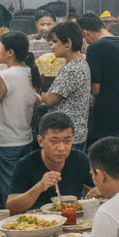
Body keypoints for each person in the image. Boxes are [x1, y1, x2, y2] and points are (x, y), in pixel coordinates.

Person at [0, 31, 41, 204]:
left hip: (7, 143)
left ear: (10, 52)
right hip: (25, 140)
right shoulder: (30, 73)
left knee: (10, 194)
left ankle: (17, 225)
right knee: (23, 188)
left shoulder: (5, 76)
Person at [6, 112, 94, 214]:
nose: (61, 148)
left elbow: (98, 187)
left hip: (73, 221)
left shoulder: (80, 160)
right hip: (38, 224)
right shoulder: (26, 165)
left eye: (67, 141)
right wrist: (39, 187)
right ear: (40, 141)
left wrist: (99, 191)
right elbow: (10, 208)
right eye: (54, 141)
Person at [78, 13, 119, 149]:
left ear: (85, 33)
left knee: (106, 164)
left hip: (108, 119)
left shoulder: (95, 48)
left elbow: (95, 89)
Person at [39, 21, 90, 149]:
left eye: (55, 41)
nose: (52, 47)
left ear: (68, 44)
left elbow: (50, 100)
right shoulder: (81, 63)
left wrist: (40, 95)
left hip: (67, 138)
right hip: (74, 134)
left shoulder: (72, 69)